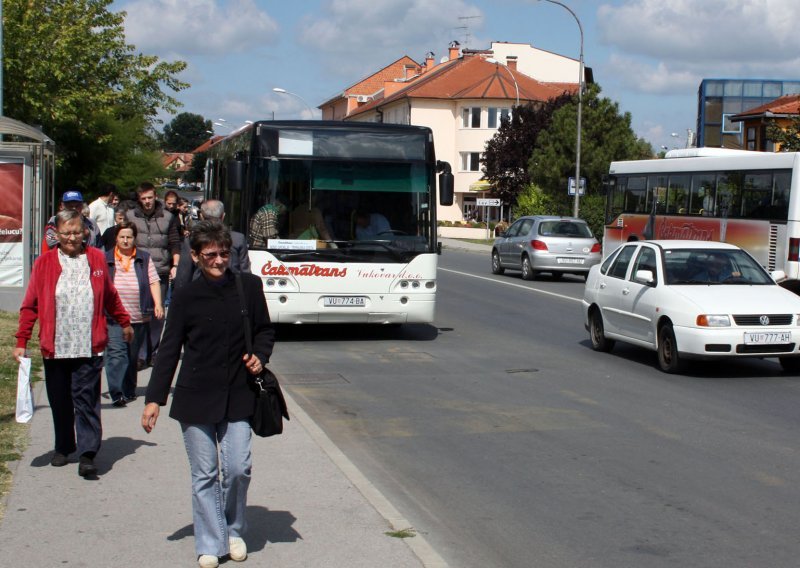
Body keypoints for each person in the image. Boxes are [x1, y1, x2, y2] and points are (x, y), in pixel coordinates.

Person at [142, 220, 274, 568]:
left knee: (237, 468)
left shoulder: (249, 286)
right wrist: (154, 398)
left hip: (238, 393)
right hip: (195, 395)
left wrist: (260, 356)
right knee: (204, 474)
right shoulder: (185, 296)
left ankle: (233, 530)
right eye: (211, 255)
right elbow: (169, 349)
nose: (219, 260)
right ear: (197, 256)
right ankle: (209, 542)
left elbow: (264, 331)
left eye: (225, 253)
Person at [14, 209, 133, 477]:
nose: (71, 237)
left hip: (88, 344)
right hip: (55, 346)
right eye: (66, 232)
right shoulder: (44, 263)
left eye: (76, 232)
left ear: (85, 233)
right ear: (56, 234)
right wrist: (22, 339)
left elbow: (110, 296)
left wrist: (124, 321)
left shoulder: (97, 259)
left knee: (87, 399)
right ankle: (64, 445)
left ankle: (88, 452)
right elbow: (30, 304)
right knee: (59, 399)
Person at [104, 221, 164, 406]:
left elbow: (154, 282)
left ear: (134, 238)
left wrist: (158, 304)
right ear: (116, 238)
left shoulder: (144, 258)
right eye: (122, 237)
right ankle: (116, 393)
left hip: (139, 316)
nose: (125, 240)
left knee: (131, 356)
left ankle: (128, 390)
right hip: (113, 317)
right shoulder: (106, 258)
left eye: (129, 237)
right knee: (116, 354)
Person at [126, 182, 181, 367]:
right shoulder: (131, 216)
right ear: (139, 199)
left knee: (158, 313)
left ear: (155, 196)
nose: (148, 202)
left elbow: (175, 242)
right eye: (144, 199)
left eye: (150, 198)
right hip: (137, 268)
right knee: (141, 311)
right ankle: (141, 354)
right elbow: (125, 240)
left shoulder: (167, 216)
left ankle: (154, 350)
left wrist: (176, 265)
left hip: (161, 269)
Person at [173, 199, 251, 290]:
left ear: (201, 216)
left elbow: (184, 274)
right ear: (223, 216)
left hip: (201, 291)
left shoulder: (192, 239)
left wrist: (179, 297)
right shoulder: (238, 238)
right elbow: (245, 271)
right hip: (232, 291)